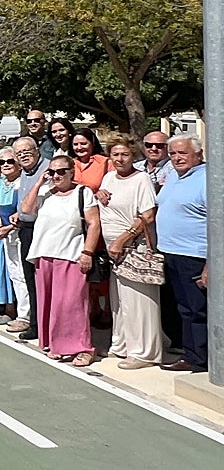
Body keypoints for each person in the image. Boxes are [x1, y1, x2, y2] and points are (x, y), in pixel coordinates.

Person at [21, 154, 101, 366]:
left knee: (72, 304)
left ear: (71, 172)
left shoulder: (83, 193)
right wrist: (40, 181)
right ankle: (55, 344)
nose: (56, 176)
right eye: (52, 172)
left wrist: (88, 252)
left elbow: (94, 224)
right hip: (44, 255)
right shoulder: (45, 193)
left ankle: (82, 347)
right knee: (49, 304)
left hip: (71, 254)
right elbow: (26, 210)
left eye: (61, 171)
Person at [96, 139, 161, 369]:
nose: (119, 159)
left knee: (138, 300)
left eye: (124, 154)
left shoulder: (141, 179)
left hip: (134, 247)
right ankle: (121, 344)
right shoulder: (108, 178)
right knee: (119, 300)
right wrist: (99, 194)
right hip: (113, 250)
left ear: (132, 156)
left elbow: (148, 215)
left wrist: (122, 240)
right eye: (115, 154)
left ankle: (143, 352)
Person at [156, 136, 208, 373]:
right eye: (173, 153)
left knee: (198, 310)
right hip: (172, 254)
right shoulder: (173, 178)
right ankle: (191, 354)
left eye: (183, 153)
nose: (177, 158)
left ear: (198, 154)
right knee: (184, 309)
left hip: (195, 256)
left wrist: (211, 264)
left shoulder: (207, 178)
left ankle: (203, 359)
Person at [7, 137, 50, 339]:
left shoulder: (48, 169)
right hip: (26, 228)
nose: (23, 155)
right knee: (30, 279)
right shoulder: (25, 172)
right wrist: (18, 214)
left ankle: (44, 325)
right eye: (19, 153)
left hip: (44, 231)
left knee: (43, 280)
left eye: (27, 150)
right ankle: (35, 323)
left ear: (36, 150)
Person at [0, 148, 26, 328]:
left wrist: (10, 227)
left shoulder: (23, 183)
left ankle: (25, 314)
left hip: (20, 234)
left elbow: (25, 211)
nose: (5, 165)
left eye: (10, 161)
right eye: (1, 162)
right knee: (13, 274)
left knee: (22, 274)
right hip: (4, 235)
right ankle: (18, 312)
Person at [71, 128, 109, 192]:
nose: (79, 147)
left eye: (83, 144)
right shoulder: (70, 163)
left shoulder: (105, 162)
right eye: (75, 144)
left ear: (93, 144)